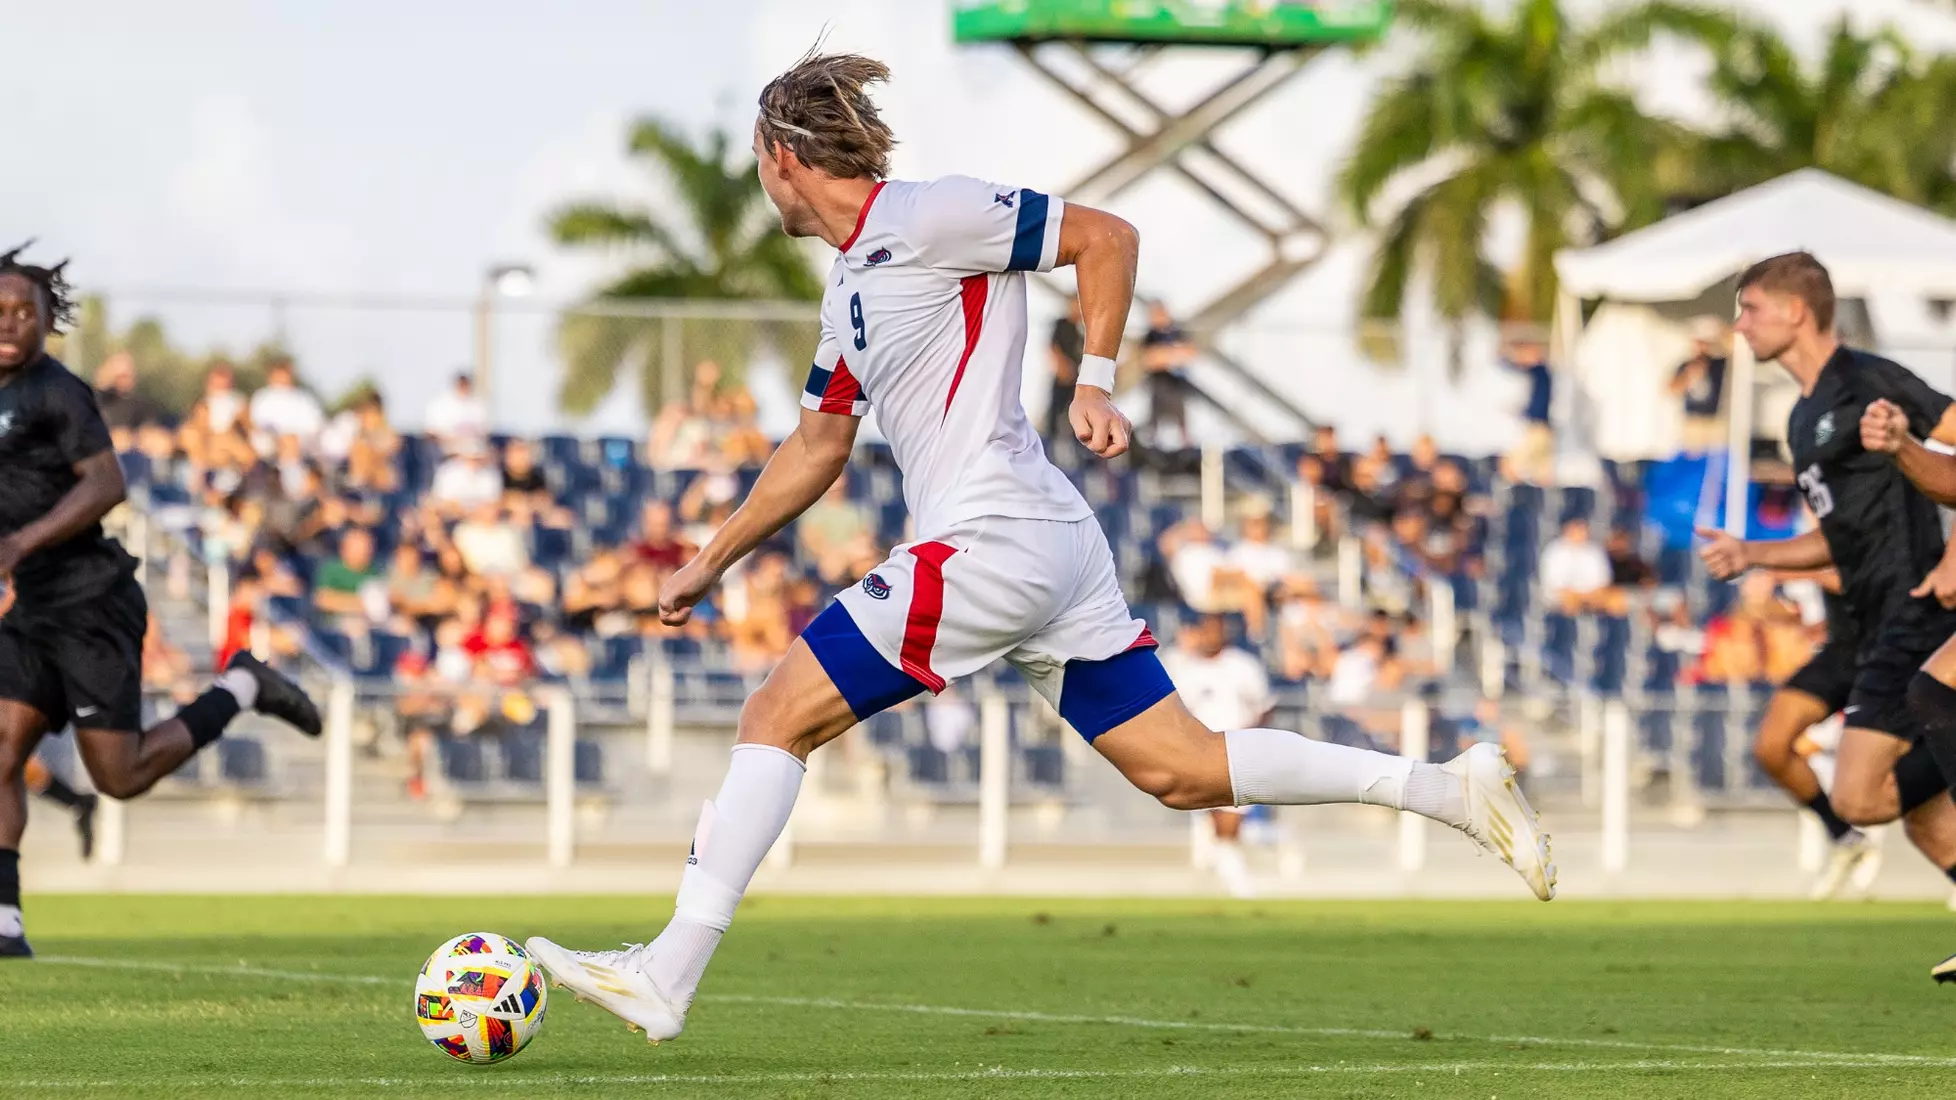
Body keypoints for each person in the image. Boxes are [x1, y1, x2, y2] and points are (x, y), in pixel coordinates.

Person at [522, 49, 1552, 1042]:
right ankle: (1445, 787)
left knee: (773, 711)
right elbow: (817, 444)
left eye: (759, 162)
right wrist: (712, 557)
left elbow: (1105, 235)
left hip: (994, 531)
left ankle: (668, 972)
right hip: (1040, 539)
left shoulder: (932, 212)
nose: (761, 182)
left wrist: (1094, 377)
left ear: (780, 154)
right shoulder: (847, 290)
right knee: (1183, 767)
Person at [0, 245, 320, 958]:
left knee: (120, 776)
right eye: (1, 309)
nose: (12, 322)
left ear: (49, 321)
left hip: (91, 604)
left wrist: (20, 545)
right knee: (1, 748)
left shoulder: (58, 392)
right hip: (27, 612)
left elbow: (107, 483)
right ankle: (5, 918)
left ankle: (242, 685)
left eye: (27, 310)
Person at [1696, 250, 1956, 944]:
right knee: (1930, 825)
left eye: (1750, 307)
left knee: (1859, 795)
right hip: (1871, 622)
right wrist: (1754, 553)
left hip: (1917, 610)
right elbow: (1840, 539)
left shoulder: (1869, 379)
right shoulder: (1802, 415)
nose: (1740, 324)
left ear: (1796, 311)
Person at [1742, 578, 1877, 897]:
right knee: (1771, 747)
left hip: (1894, 649)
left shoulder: (1892, 534)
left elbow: (1847, 567)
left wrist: (1768, 557)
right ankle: (1844, 836)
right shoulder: (1811, 544)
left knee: (1894, 785)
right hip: (1840, 653)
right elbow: (1784, 611)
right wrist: (1764, 600)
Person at [1158, 613, 1272, 898]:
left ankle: (1234, 871)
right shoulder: (1186, 670)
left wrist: (1252, 735)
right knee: (1223, 822)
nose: (1210, 636)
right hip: (1201, 754)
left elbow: (1265, 706)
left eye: (1215, 630)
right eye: (1205, 630)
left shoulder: (1243, 666)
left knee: (1228, 823)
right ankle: (1239, 885)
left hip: (1240, 751)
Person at [1499, 333, 1554, 486]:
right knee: (1540, 471)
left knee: (1512, 466)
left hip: (1537, 428)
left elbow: (1516, 366)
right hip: (1539, 428)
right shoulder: (1540, 373)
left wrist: (1505, 360)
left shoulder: (1540, 371)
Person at [1141, 300, 1196, 449]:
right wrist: (1172, 355)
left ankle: (1186, 449)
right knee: (1154, 422)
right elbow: (1150, 359)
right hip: (1159, 385)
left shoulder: (1177, 332)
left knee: (1182, 422)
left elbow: (1190, 353)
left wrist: (1166, 356)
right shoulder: (1151, 336)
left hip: (1176, 385)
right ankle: (1152, 449)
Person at [1670, 317, 1729, 454]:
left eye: (1705, 343)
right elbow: (1672, 389)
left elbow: (1733, 348)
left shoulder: (1718, 364)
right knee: (1692, 456)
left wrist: (1721, 331)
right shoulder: (1686, 365)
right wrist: (1688, 376)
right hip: (1693, 420)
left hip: (1714, 419)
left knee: (1715, 458)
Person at [246, 359, 323, 447]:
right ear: (271, 377)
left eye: (285, 375)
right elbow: (256, 423)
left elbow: (315, 424)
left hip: (299, 440)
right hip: (270, 440)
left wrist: (293, 435)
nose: (283, 379)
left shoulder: (304, 398)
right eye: (279, 375)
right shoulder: (262, 397)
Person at [1045, 298, 1084, 455]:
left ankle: (1077, 448)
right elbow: (1053, 348)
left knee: (1075, 415)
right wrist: (1062, 367)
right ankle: (1050, 448)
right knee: (1055, 412)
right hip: (1063, 377)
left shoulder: (1081, 328)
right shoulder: (1062, 324)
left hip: (1076, 379)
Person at [424, 372, 488, 454]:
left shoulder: (477, 404)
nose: (464, 389)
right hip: (445, 449)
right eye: (461, 385)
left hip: (472, 449)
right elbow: (430, 433)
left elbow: (483, 432)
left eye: (466, 385)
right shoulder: (440, 404)